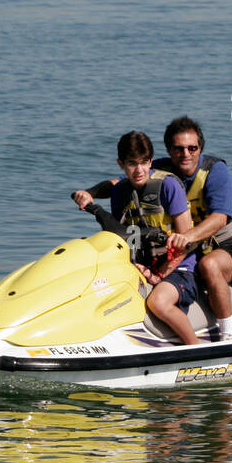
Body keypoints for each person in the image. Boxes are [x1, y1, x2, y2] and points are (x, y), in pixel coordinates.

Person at [80, 116, 232, 342]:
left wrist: (184, 238)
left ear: (199, 148)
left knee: (209, 265)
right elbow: (120, 183)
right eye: (179, 148)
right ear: (169, 150)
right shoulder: (158, 168)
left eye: (192, 148)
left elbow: (220, 218)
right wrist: (90, 193)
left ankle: (227, 335)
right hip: (184, 249)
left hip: (226, 246)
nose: (185, 154)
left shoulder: (214, 171)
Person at [71, 131, 203, 346]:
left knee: (158, 303)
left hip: (179, 269)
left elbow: (187, 242)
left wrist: (159, 274)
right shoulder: (120, 192)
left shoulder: (168, 186)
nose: (139, 170)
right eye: (132, 163)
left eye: (144, 162)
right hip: (141, 267)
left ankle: (195, 349)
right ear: (121, 164)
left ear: (151, 161)